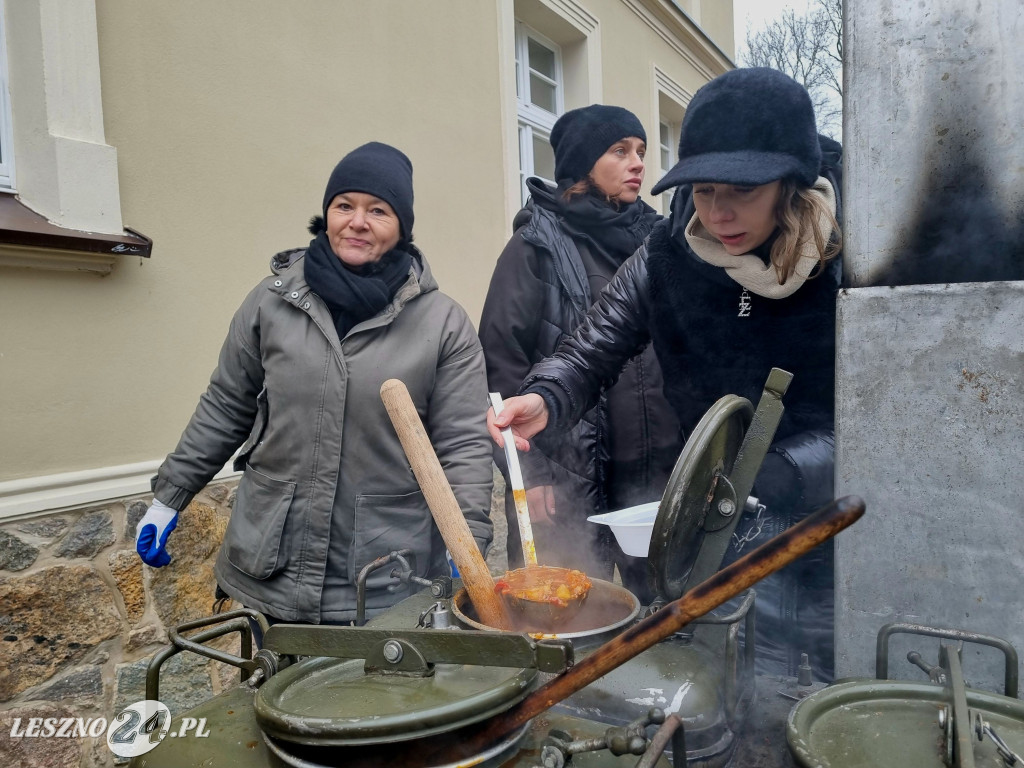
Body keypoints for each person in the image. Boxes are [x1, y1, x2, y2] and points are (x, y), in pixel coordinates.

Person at [487, 68, 843, 681]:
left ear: (790, 185)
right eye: (703, 189)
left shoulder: (849, 266)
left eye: (741, 191)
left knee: (817, 693)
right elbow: (591, 348)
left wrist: (780, 472)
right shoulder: (671, 255)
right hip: (713, 534)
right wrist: (546, 398)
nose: (718, 212)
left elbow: (886, 427)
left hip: (828, 536)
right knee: (721, 685)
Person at [135, 141, 494, 625]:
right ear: (326, 214)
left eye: (378, 210)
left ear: (402, 227)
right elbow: (226, 403)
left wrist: (466, 540)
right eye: (344, 205)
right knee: (271, 696)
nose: (357, 221)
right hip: (273, 563)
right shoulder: (272, 301)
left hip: (383, 575)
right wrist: (170, 495)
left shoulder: (443, 323)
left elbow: (463, 443)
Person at [478, 105, 681, 598]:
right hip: (565, 477)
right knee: (564, 619)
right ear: (582, 163)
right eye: (619, 151)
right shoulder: (534, 246)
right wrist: (530, 475)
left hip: (650, 475)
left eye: (641, 151)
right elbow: (500, 365)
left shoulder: (661, 244)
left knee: (659, 620)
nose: (637, 163)